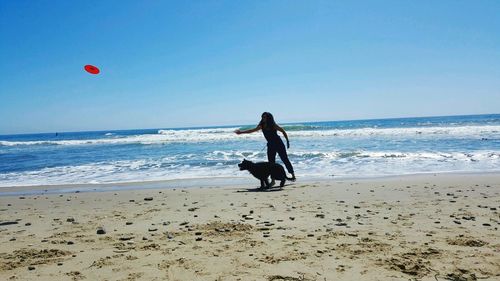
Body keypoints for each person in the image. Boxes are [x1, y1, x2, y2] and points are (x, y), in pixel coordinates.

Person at [235, 112, 296, 184]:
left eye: (265, 117)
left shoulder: (273, 125)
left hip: (279, 144)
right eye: (262, 117)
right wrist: (241, 132)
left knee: (285, 159)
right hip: (270, 145)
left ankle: (292, 175)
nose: (263, 118)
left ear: (269, 118)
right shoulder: (262, 125)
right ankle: (273, 180)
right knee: (271, 163)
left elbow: (283, 131)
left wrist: (287, 141)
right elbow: (252, 130)